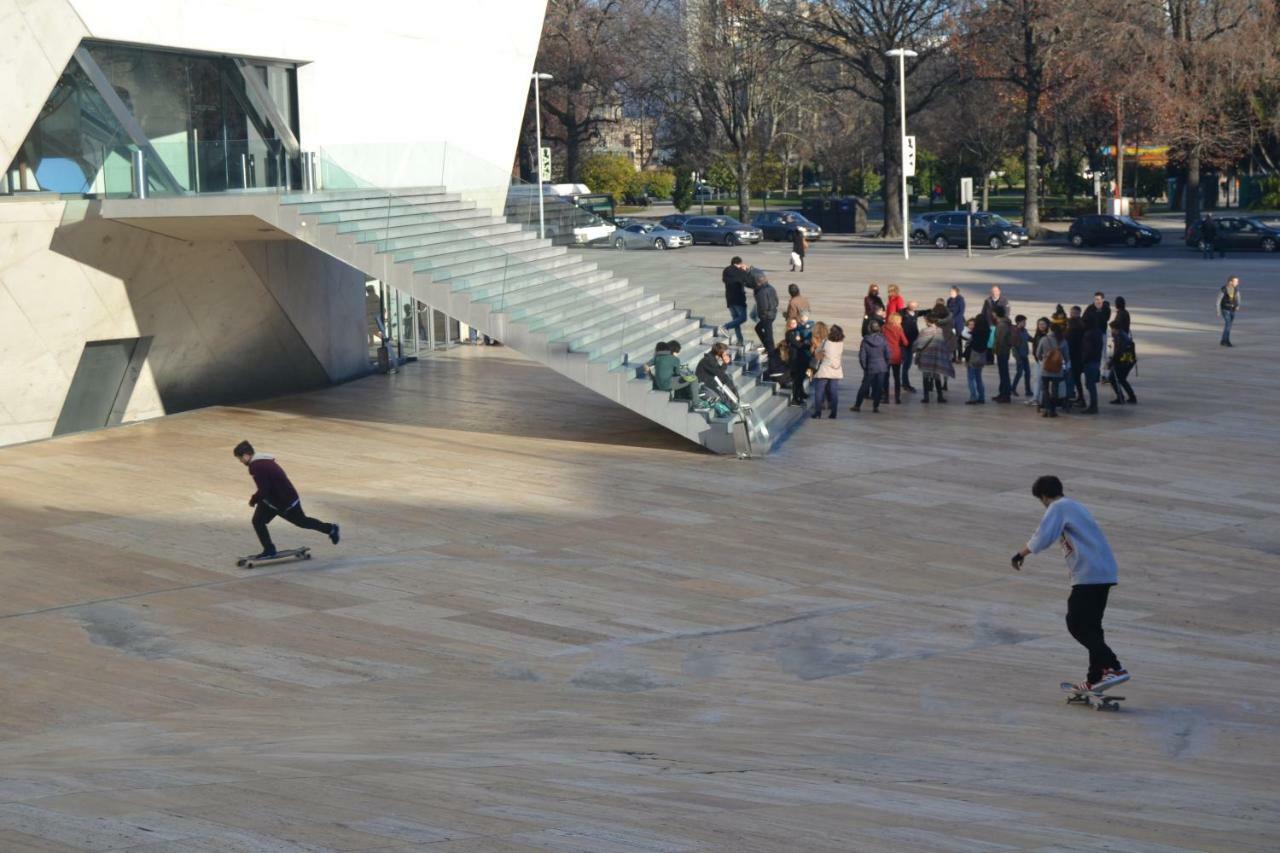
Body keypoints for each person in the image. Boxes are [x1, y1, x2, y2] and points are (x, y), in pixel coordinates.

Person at [1011, 475, 1129, 693]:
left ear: (1044, 496)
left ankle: (1114, 667)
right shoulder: (1076, 506)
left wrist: (1021, 553)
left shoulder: (1058, 507)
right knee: (1092, 627)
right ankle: (1095, 677)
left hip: (1089, 574)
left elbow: (1043, 535)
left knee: (1075, 623)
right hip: (1103, 572)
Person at [234, 441, 340, 560]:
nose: (240, 461)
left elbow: (264, 489)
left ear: (246, 455)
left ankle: (330, 528)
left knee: (301, 522)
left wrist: (253, 500)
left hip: (284, 501)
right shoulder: (264, 461)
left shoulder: (256, 466)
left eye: (240, 458)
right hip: (276, 499)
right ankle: (269, 549)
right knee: (259, 521)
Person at [913, 312, 954, 403]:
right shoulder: (939, 330)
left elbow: (919, 343)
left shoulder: (924, 331)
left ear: (928, 321)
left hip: (926, 357)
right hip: (936, 357)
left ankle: (926, 397)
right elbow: (942, 344)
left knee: (926, 377)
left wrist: (913, 349)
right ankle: (940, 396)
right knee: (937, 376)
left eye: (925, 320)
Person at [851, 319, 889, 413]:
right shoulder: (883, 340)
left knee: (864, 386)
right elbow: (888, 354)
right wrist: (886, 364)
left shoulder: (865, 340)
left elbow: (862, 356)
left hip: (870, 366)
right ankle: (875, 407)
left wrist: (864, 366)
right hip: (882, 367)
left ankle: (857, 405)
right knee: (879, 387)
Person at [749, 268, 781, 373]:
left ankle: (772, 357)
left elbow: (763, 305)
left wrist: (763, 313)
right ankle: (769, 348)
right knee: (759, 328)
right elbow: (776, 301)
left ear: (758, 282)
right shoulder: (770, 287)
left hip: (766, 316)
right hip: (772, 314)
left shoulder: (761, 292)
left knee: (768, 336)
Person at [811, 324, 845, 418]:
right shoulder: (841, 344)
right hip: (836, 370)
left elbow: (817, 352)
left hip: (825, 369)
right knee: (834, 392)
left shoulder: (826, 342)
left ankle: (818, 412)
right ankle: (834, 413)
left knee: (819, 391)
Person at [1038, 318, 1067, 418]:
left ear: (1050, 330)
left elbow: (1038, 354)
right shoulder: (1063, 341)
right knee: (1055, 390)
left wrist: (1044, 359)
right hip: (1057, 369)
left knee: (1045, 390)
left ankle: (1047, 409)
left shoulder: (1044, 339)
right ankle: (1053, 410)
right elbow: (1066, 357)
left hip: (1045, 368)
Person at [720, 256, 752, 346]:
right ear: (740, 263)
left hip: (729, 299)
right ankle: (725, 326)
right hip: (739, 299)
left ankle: (740, 340)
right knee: (742, 318)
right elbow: (749, 280)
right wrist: (746, 270)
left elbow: (724, 280)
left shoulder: (726, 270)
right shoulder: (741, 272)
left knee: (736, 320)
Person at [696, 341, 739, 407]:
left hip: (710, 381)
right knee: (727, 379)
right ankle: (733, 402)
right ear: (720, 353)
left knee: (728, 378)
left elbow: (719, 372)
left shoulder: (711, 358)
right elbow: (720, 374)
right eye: (725, 353)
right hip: (704, 385)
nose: (726, 354)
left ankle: (734, 400)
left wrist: (725, 363)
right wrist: (725, 363)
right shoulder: (708, 360)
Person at [787, 313, 814, 406]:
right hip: (794, 360)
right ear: (789, 325)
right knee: (796, 380)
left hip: (799, 359)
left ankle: (800, 395)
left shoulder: (797, 332)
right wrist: (808, 344)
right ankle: (795, 399)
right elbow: (798, 344)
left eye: (795, 323)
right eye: (793, 323)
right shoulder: (790, 334)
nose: (795, 325)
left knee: (801, 378)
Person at [1108, 321, 1137, 404]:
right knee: (1122, 379)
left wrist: (1111, 363)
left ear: (1114, 329)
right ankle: (1132, 397)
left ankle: (1120, 397)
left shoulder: (1119, 337)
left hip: (1123, 362)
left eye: (1112, 329)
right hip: (1128, 361)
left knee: (1112, 379)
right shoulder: (1123, 334)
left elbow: (1118, 352)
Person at [882, 312, 909, 404]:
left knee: (886, 377)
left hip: (885, 355)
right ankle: (897, 398)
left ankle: (886, 397)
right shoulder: (899, 329)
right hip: (896, 355)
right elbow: (905, 342)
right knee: (896, 377)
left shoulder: (884, 328)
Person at [1079, 319, 1104, 414]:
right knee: (1091, 384)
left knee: (1090, 385)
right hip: (1096, 360)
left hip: (1089, 362)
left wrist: (1083, 360)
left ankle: (1093, 406)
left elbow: (1087, 350)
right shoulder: (1098, 332)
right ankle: (1093, 405)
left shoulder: (1088, 334)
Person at [965, 314, 989, 404]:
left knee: (971, 378)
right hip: (982, 356)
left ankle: (973, 397)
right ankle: (981, 397)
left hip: (973, 357)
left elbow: (970, 346)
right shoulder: (987, 331)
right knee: (979, 377)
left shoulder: (975, 332)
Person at [1027, 316, 1051, 408]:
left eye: (1043, 324)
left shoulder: (1048, 336)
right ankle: (1036, 397)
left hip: (1045, 362)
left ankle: (1038, 398)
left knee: (1041, 381)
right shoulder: (1038, 335)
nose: (1041, 326)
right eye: (1039, 324)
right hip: (1038, 361)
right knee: (1036, 380)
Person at [992, 306, 1013, 403]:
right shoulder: (1003, 323)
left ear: (996, 313)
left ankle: (1006, 395)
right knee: (1003, 373)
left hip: (1002, 351)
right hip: (1003, 351)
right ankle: (1002, 393)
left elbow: (1000, 339)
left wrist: (995, 349)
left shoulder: (1002, 324)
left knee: (1004, 373)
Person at [1066, 306, 1085, 409]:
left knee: (1073, 379)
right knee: (1077, 379)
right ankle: (1080, 397)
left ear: (1078, 313)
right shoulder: (1081, 325)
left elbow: (1070, 343)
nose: (1071, 314)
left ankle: (1077, 398)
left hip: (1074, 358)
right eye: (1071, 312)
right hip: (1079, 357)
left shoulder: (1074, 328)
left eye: (1073, 312)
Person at [900, 301, 920, 393]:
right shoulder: (903, 314)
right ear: (908, 306)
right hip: (905, 343)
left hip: (912, 342)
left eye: (915, 306)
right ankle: (905, 384)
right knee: (906, 364)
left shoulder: (915, 313)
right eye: (912, 306)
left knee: (907, 364)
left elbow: (923, 312)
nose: (914, 308)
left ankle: (904, 382)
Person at [1011, 314, 1033, 398]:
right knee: (1019, 373)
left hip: (1025, 355)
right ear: (1018, 322)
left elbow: (1029, 338)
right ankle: (1013, 389)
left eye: (1025, 322)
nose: (1025, 323)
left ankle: (1028, 390)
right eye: (1023, 322)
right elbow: (1014, 346)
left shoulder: (1024, 331)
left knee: (1027, 373)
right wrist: (1017, 357)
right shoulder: (1015, 331)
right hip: (1019, 356)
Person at [1217, 276, 1240, 346]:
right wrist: (1218, 311)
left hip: (1232, 309)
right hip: (1225, 309)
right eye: (1235, 281)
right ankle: (1226, 341)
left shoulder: (1235, 289)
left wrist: (1238, 305)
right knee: (1228, 325)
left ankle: (1223, 340)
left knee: (1228, 325)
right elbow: (1218, 300)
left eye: (1237, 281)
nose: (1237, 283)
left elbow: (1238, 297)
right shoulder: (1224, 289)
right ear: (1230, 282)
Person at [947, 287, 966, 362]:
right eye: (950, 291)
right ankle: (953, 356)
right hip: (951, 322)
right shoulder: (949, 300)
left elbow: (961, 312)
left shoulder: (960, 300)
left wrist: (954, 319)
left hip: (958, 322)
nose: (950, 293)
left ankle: (960, 357)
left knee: (958, 340)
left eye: (952, 291)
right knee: (952, 340)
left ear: (956, 292)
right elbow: (947, 310)